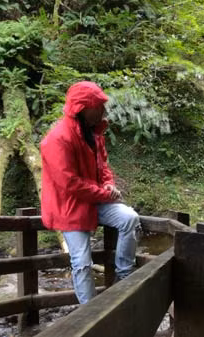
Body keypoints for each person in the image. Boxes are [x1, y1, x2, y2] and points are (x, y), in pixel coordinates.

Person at [40, 81, 140, 304]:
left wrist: (108, 184)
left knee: (130, 219)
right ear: (83, 107)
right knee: (82, 263)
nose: (103, 111)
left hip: (94, 199)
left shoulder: (94, 133)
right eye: (99, 106)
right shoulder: (57, 139)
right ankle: (90, 313)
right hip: (69, 206)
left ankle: (124, 279)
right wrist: (104, 194)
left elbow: (102, 166)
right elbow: (70, 183)